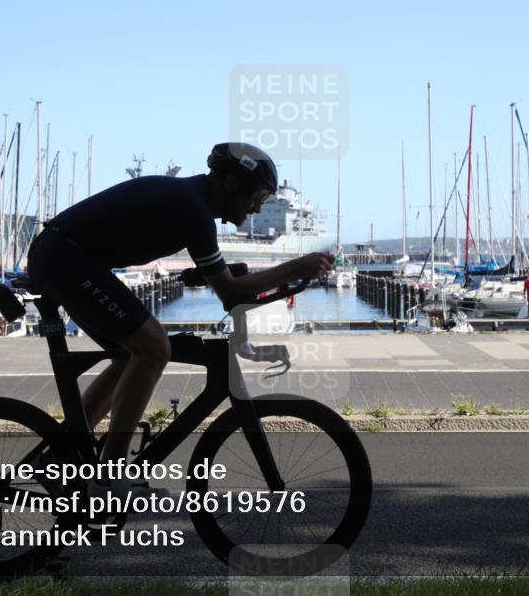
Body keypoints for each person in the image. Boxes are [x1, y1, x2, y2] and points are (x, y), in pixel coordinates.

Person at [26, 142, 333, 494]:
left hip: (63, 256)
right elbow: (230, 293)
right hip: (64, 259)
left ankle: (59, 456)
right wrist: (296, 267)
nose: (258, 205)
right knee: (153, 348)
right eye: (258, 195)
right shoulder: (193, 209)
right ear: (232, 184)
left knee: (130, 353)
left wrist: (218, 275)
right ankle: (110, 476)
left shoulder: (193, 203)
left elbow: (220, 279)